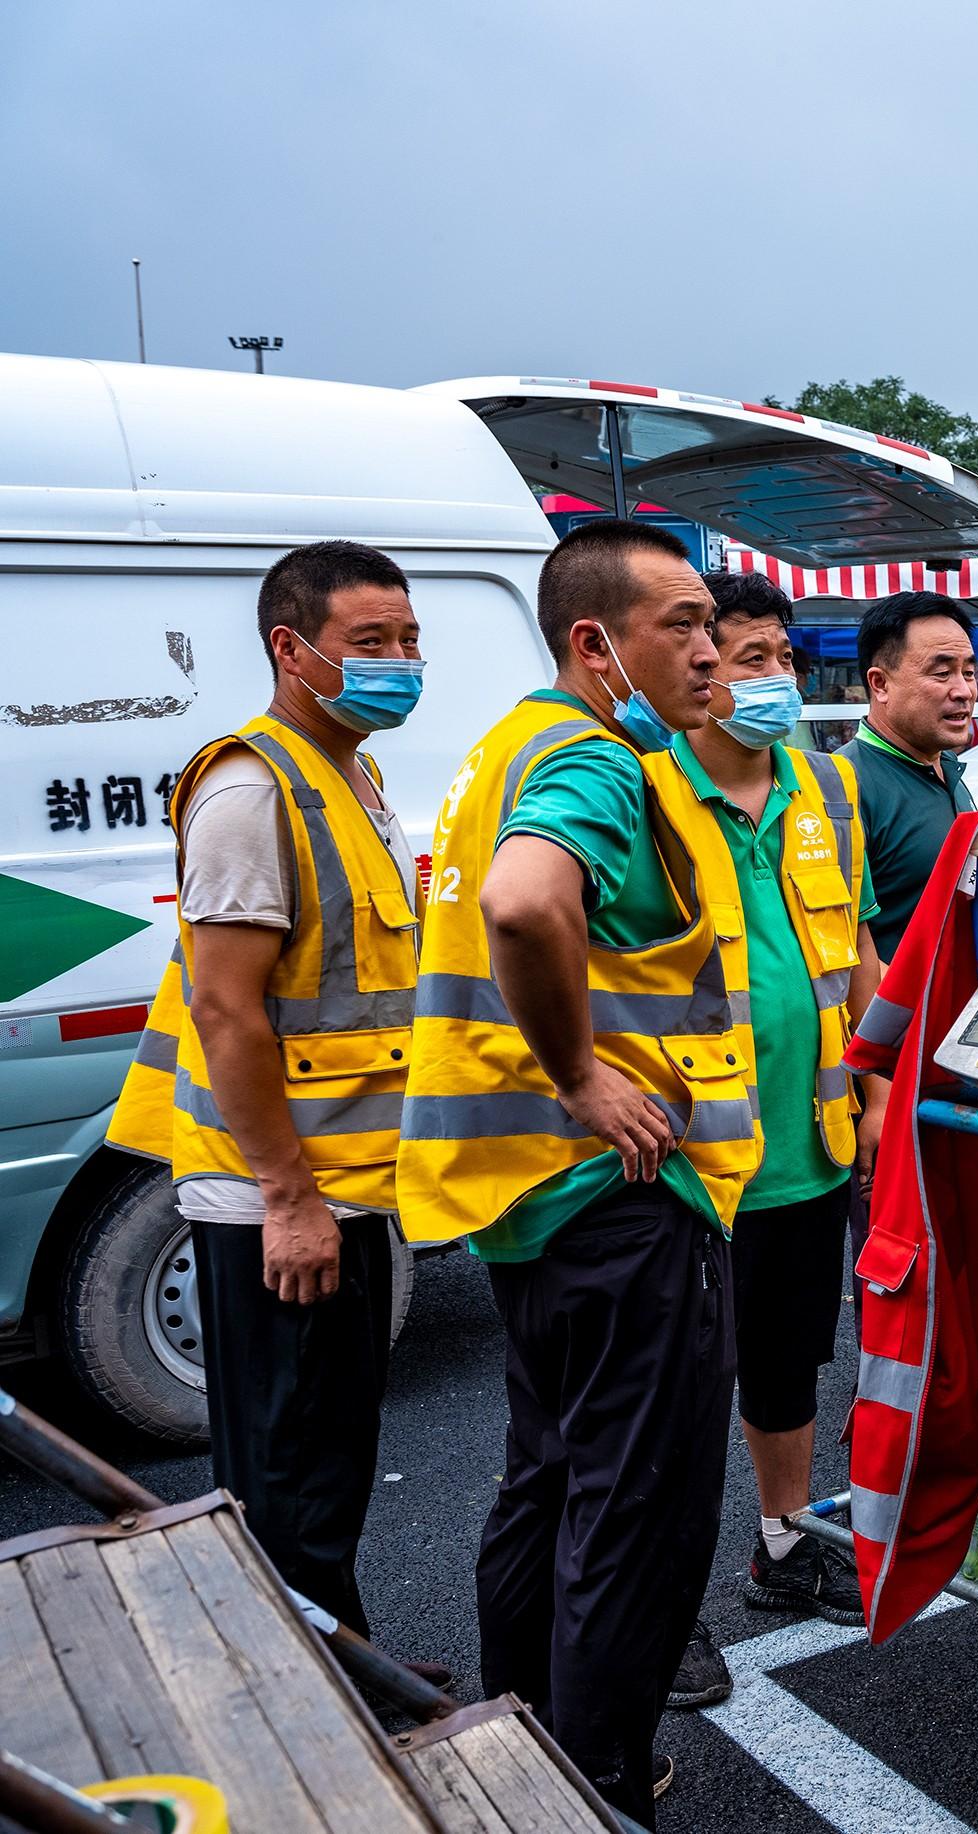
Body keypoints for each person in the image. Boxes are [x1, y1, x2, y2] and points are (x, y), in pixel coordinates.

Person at [397, 519, 761, 1820]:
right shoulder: (588, 759)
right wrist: (581, 1076)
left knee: (543, 1483)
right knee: (635, 1515)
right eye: (684, 624)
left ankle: (527, 1751)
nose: (711, 652)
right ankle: (600, 1783)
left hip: (526, 1206)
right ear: (594, 642)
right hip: (619, 1201)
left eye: (712, 624)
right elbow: (523, 902)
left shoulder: (506, 744)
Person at [107, 541, 431, 1666]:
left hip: (352, 1187)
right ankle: (302, 1696)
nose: (401, 661)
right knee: (283, 1473)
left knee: (332, 1456)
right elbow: (228, 1012)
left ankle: (348, 1659)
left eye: (409, 639)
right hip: (278, 1202)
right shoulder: (252, 790)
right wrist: (288, 1196)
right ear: (293, 651)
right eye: (370, 643)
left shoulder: (351, 773)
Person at [649, 572, 881, 1715]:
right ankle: (657, 1604)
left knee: (787, 1363)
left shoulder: (818, 787)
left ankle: (784, 1547)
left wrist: (876, 1080)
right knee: (672, 1388)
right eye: (746, 658)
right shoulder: (647, 791)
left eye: (783, 657)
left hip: (811, 1138)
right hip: (690, 1158)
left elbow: (859, 947)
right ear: (696, 673)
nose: (771, 680)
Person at [842, 591, 978, 959]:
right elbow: (842, 949)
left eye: (968, 672)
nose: (964, 691)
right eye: (941, 673)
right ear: (880, 684)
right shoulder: (844, 785)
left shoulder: (947, 766)